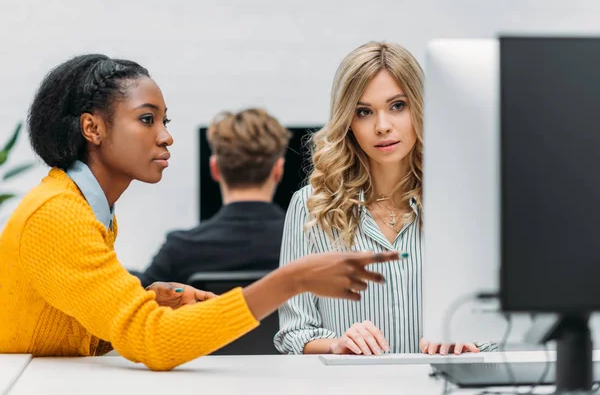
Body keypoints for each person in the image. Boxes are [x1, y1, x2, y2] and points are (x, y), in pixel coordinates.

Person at [0, 54, 403, 370]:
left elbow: (72, 331)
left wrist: (148, 299)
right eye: (147, 119)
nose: (166, 135)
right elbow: (152, 342)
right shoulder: (58, 214)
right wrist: (291, 280)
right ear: (93, 129)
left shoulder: (86, 210)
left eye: (164, 120)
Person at [274, 42, 496, 356]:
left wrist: (468, 340)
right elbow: (294, 333)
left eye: (397, 106)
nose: (382, 126)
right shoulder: (311, 206)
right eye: (364, 112)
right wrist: (337, 344)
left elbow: (498, 329)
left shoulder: (463, 205)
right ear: (348, 122)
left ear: (419, 107)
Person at [132, 108, 291, 288]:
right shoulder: (307, 245)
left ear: (214, 169)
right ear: (279, 170)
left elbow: (140, 298)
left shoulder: (180, 249)